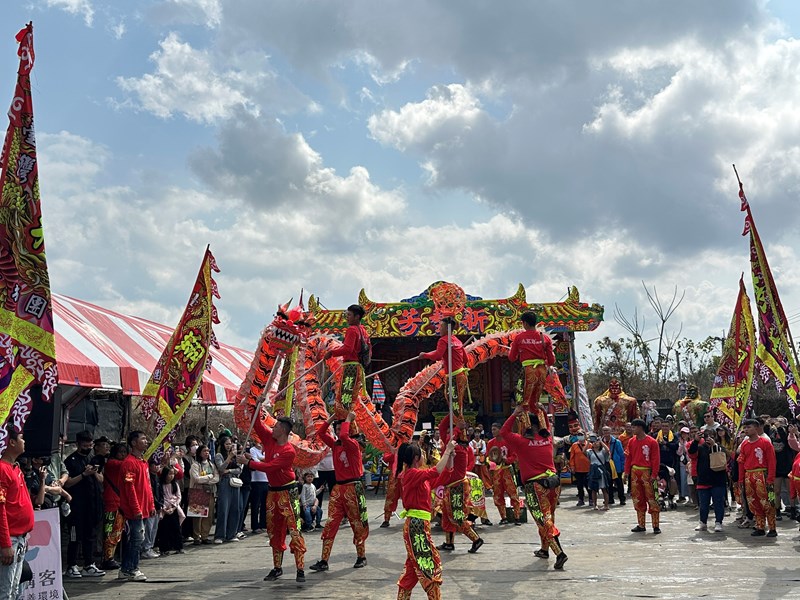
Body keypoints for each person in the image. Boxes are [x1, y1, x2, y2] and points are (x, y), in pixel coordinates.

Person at [501, 405, 568, 569]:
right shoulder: (548, 439)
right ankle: (544, 549)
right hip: (554, 483)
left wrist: (514, 414)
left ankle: (559, 553)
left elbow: (504, 432)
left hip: (535, 487)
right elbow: (547, 425)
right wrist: (542, 411)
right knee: (549, 517)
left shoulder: (521, 442)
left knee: (543, 520)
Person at [243, 415, 307, 583]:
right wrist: (257, 406)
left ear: (283, 430)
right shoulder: (269, 439)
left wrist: (249, 464)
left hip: (288, 492)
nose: (273, 428)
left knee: (294, 529)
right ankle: (277, 568)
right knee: (274, 531)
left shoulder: (289, 451)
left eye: (276, 426)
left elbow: (270, 467)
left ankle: (300, 568)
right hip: (273, 493)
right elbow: (257, 424)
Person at [395, 438, 456, 600]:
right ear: (416, 458)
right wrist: (447, 450)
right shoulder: (411, 474)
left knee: (411, 572)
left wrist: (450, 458)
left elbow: (442, 476)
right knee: (431, 566)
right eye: (422, 454)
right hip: (417, 526)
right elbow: (435, 471)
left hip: (419, 525)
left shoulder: (418, 476)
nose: (424, 456)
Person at [309, 411, 369, 571]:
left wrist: (348, 418)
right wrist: (332, 418)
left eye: (340, 428)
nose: (337, 431)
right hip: (338, 489)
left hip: (353, 488)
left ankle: (361, 556)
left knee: (356, 524)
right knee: (330, 523)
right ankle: (324, 560)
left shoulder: (354, 445)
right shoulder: (336, 445)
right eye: (336, 429)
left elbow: (343, 435)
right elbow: (321, 433)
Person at [437, 414, 484, 553]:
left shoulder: (459, 449)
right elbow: (442, 427)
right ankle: (449, 543)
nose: (447, 434)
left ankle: (476, 539)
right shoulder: (453, 446)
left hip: (457, 486)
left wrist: (457, 427)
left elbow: (447, 438)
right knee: (447, 515)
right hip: (450, 486)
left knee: (457, 516)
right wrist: (452, 414)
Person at [63, 430, 105, 579]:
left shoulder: (93, 458)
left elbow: (101, 479)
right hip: (76, 505)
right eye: (85, 446)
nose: (88, 448)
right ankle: (72, 565)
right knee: (75, 536)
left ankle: (89, 564)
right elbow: (67, 483)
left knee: (90, 535)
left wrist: (94, 472)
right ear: (78, 444)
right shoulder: (71, 461)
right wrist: (83, 475)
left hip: (92, 504)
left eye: (90, 445)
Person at [0, 427, 34, 600]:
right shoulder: (2, 469)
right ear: (11, 442)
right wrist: (5, 544)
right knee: (5, 591)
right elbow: (1, 509)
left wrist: (23, 537)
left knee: (14, 588)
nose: (24, 441)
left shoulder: (15, 468)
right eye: (21, 438)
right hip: (10, 540)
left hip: (19, 538)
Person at [507, 312, 555, 435]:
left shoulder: (519, 338)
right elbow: (551, 361)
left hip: (528, 371)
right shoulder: (545, 338)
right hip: (542, 371)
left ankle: (527, 428)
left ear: (525, 323)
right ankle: (543, 428)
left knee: (522, 401)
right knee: (535, 401)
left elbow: (511, 358)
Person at [118, 431, 155, 582]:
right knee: (136, 540)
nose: (146, 441)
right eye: (143, 439)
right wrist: (136, 508)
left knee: (138, 539)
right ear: (133, 443)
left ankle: (126, 569)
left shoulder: (143, 462)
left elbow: (148, 485)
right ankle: (132, 569)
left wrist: (151, 505)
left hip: (144, 508)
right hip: (135, 510)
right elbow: (129, 488)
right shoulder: (129, 463)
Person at [325, 304, 371, 419]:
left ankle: (346, 425)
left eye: (349, 315)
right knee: (349, 402)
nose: (347, 318)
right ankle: (348, 424)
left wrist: (331, 353)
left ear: (357, 316)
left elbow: (347, 349)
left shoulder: (352, 329)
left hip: (350, 368)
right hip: (358, 368)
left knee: (343, 402)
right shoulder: (363, 331)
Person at [419, 317, 470, 416]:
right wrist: (447, 359)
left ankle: (459, 424)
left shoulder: (443, 340)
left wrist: (425, 355)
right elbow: (465, 359)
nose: (439, 329)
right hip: (461, 375)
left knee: (454, 405)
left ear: (447, 328)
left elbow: (437, 356)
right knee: (456, 405)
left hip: (453, 377)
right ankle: (456, 423)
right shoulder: (457, 340)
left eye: (441, 326)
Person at [738, 418, 777, 537]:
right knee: (753, 502)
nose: (746, 430)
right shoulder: (744, 444)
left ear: (756, 428)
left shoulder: (765, 442)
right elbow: (741, 462)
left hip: (762, 475)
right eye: (744, 427)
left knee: (768, 501)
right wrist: (741, 479)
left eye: (749, 427)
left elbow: (772, 461)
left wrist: (770, 478)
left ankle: (772, 528)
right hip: (748, 476)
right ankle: (760, 527)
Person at [624, 419, 661, 534]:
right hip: (635, 473)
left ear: (640, 427)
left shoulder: (652, 442)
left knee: (652, 498)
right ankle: (641, 524)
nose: (632, 429)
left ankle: (656, 525)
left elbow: (655, 460)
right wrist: (626, 472)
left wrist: (654, 474)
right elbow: (628, 458)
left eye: (634, 427)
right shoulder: (631, 441)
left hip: (647, 473)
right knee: (637, 498)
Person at [690, 428, 728, 533]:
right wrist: (695, 441)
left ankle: (718, 522)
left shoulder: (720, 447)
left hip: (718, 480)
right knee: (703, 504)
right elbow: (691, 453)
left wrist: (714, 445)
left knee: (718, 502)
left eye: (712, 436)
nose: (709, 438)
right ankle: (703, 522)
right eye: (707, 436)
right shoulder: (700, 448)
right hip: (703, 479)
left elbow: (723, 457)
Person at [486, 422, 521, 524]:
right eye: (492, 429)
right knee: (497, 494)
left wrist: (507, 460)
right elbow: (488, 457)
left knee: (513, 493)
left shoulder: (508, 442)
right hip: (496, 472)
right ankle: (503, 517)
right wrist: (490, 464)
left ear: (500, 430)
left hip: (507, 470)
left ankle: (517, 517)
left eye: (495, 429)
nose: (493, 431)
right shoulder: (490, 443)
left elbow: (514, 455)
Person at [100, 442, 126, 570]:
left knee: (117, 531)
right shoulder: (112, 463)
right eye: (121, 452)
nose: (123, 454)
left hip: (118, 502)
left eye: (124, 452)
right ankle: (107, 557)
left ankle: (110, 557)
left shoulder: (117, 463)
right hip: (112, 502)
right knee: (110, 531)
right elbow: (126, 465)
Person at [214, 435, 243, 544]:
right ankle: (220, 535)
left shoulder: (235, 456)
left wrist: (229, 470)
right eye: (226, 444)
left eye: (230, 444)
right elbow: (221, 468)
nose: (229, 446)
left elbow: (239, 469)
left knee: (235, 509)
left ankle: (231, 534)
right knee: (223, 509)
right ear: (222, 445)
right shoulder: (219, 455)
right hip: (224, 482)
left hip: (235, 482)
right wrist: (229, 458)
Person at [189, 445, 219, 544]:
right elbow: (197, 479)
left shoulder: (211, 465)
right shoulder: (195, 465)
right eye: (204, 451)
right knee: (198, 516)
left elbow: (216, 478)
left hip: (210, 491)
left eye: (207, 451)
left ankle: (205, 536)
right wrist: (209, 477)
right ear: (199, 453)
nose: (206, 452)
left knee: (209, 516)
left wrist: (207, 481)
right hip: (198, 491)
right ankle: (196, 537)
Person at [156, 466, 184, 555]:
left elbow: (178, 497)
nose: (171, 476)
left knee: (176, 528)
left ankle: (178, 547)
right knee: (164, 529)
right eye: (169, 474)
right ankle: (164, 548)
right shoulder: (160, 485)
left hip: (173, 507)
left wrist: (173, 507)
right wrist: (164, 508)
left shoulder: (175, 484)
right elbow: (160, 497)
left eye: (173, 474)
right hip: (164, 508)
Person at [140, 457, 164, 559]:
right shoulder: (148, 477)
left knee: (154, 528)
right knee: (148, 529)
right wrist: (156, 504)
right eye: (154, 465)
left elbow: (161, 492)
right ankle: (145, 548)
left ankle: (150, 547)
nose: (156, 467)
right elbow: (151, 493)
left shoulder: (157, 477)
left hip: (158, 507)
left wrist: (161, 504)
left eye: (158, 465)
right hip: (151, 506)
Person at [585, 435, 610, 510]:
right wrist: (588, 442)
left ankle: (606, 505)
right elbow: (583, 451)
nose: (595, 443)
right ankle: (595, 505)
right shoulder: (590, 451)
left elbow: (607, 450)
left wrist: (601, 441)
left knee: (604, 488)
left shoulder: (602, 451)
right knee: (593, 489)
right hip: (593, 471)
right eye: (594, 442)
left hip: (601, 471)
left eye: (597, 442)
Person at [248, 439, 268, 533]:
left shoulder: (267, 451)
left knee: (265, 504)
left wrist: (262, 461)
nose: (260, 444)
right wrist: (264, 462)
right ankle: (255, 526)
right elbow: (255, 463)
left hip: (266, 480)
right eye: (259, 442)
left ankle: (263, 524)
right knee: (256, 504)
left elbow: (270, 462)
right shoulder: (252, 450)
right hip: (256, 480)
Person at [568, 432, 591, 506]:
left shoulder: (590, 444)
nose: (580, 436)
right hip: (578, 469)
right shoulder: (574, 445)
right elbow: (572, 457)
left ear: (585, 436)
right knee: (579, 485)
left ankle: (591, 499)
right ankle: (581, 499)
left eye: (582, 435)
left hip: (588, 468)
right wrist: (572, 466)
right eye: (579, 435)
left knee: (588, 484)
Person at [380, 448, 401, 528]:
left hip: (407, 474)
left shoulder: (408, 446)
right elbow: (385, 458)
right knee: (390, 497)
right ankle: (386, 519)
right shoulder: (392, 447)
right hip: (394, 476)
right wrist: (394, 452)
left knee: (409, 497)